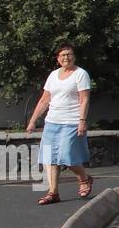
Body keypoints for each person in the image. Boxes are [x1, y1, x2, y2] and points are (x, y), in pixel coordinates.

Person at [26, 42, 94, 205]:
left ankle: (84, 179)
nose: (66, 57)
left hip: (71, 121)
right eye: (63, 55)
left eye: (69, 54)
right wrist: (33, 120)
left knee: (65, 156)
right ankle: (53, 192)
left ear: (74, 56)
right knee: (50, 157)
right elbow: (44, 100)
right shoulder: (53, 75)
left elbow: (84, 99)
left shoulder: (80, 74)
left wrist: (82, 120)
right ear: (58, 59)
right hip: (52, 121)